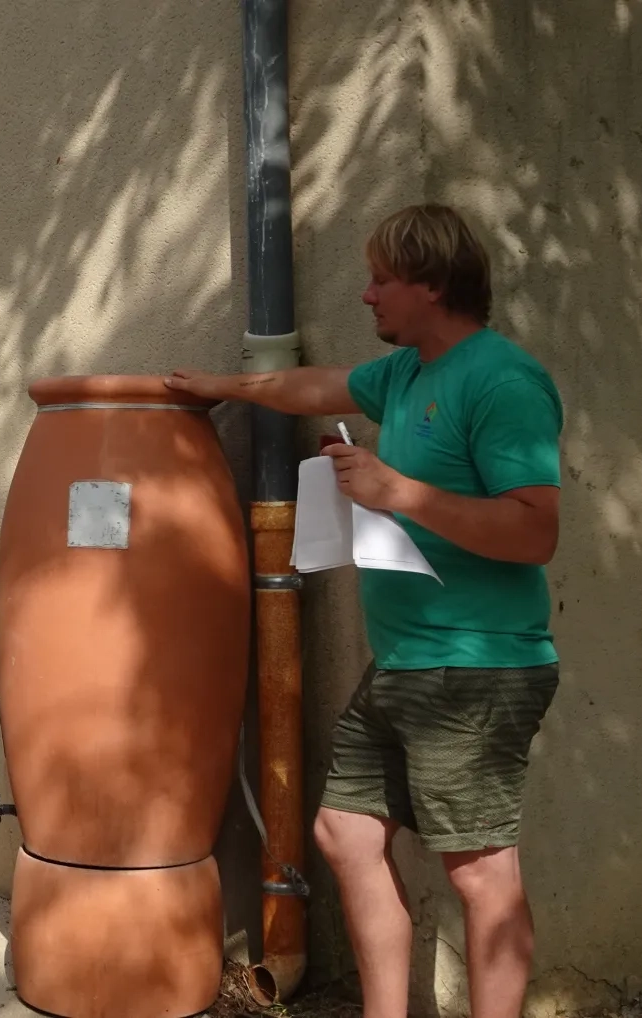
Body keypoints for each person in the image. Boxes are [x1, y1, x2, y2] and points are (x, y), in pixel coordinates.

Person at [166, 204, 562, 1018]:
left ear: (430, 284)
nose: (366, 294)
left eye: (381, 279)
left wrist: (398, 492)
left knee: (479, 873)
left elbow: (534, 531)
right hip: (404, 663)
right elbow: (314, 385)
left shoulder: (501, 381)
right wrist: (220, 388)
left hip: (474, 666)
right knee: (344, 834)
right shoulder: (408, 373)